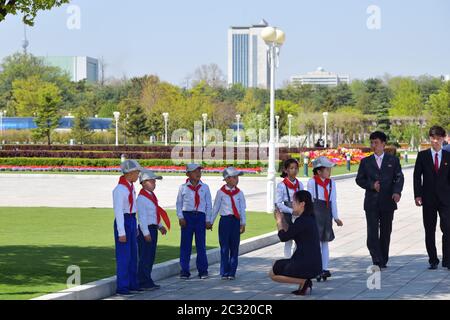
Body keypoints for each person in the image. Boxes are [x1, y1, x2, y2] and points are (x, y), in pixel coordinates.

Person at [356, 131, 404, 269]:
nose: (373, 145)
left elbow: (399, 177)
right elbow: (359, 179)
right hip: (371, 202)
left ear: (383, 144)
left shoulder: (393, 160)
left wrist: (397, 192)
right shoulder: (365, 162)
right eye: (371, 142)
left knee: (385, 231)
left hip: (388, 202)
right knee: (372, 232)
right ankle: (376, 258)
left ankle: (383, 258)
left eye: (376, 142)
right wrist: (371, 185)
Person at [270, 190, 322, 296]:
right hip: (314, 264)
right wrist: (283, 219)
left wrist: (279, 221)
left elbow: (283, 237)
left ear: (302, 204)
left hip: (306, 264)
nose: (292, 203)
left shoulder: (302, 221)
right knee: (276, 263)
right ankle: (303, 285)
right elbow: (290, 232)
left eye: (294, 201)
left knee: (272, 273)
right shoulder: (309, 219)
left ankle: (303, 282)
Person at [414, 126, 450, 270]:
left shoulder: (448, 157)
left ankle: (447, 260)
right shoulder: (422, 156)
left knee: (447, 229)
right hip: (428, 199)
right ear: (430, 138)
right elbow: (417, 177)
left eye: (438, 138)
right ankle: (433, 260)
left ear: (443, 139)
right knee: (429, 230)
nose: (435, 141)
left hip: (446, 200)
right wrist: (417, 195)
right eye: (433, 138)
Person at [307, 156, 343, 281]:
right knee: (316, 243)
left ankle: (325, 268)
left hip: (326, 215)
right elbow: (310, 200)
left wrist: (336, 217)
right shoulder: (312, 182)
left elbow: (333, 201)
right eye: (327, 169)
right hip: (315, 214)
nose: (329, 172)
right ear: (319, 171)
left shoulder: (332, 183)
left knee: (325, 242)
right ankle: (316, 268)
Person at [208, 167, 246, 280]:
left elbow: (242, 209)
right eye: (234, 177)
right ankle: (224, 272)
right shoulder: (220, 193)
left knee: (234, 247)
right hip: (225, 221)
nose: (237, 179)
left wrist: (243, 223)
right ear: (227, 179)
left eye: (237, 177)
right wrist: (210, 221)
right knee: (224, 247)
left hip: (235, 221)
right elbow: (215, 208)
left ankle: (232, 272)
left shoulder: (239, 193)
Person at [176, 163, 212, 279]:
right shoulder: (183, 187)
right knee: (185, 245)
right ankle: (184, 271)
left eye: (199, 171)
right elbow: (179, 204)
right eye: (195, 171)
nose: (198, 173)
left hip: (200, 217)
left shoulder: (205, 187)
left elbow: (208, 205)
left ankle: (203, 270)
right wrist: (180, 217)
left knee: (201, 245)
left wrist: (208, 219)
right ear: (187, 174)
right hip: (187, 217)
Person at [112, 159, 143, 295]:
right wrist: (121, 232)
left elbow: (134, 208)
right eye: (137, 172)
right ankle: (122, 287)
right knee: (124, 256)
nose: (138, 175)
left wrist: (135, 225)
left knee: (133, 255)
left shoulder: (130, 187)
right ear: (129, 173)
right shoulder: (119, 189)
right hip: (123, 221)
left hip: (131, 220)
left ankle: (132, 284)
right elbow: (118, 211)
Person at [137, 170, 170, 290]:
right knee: (145, 257)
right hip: (146, 230)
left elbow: (154, 214)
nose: (154, 183)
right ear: (144, 182)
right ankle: (143, 281)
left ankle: (147, 279)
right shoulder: (142, 198)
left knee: (150, 257)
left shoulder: (151, 196)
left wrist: (160, 226)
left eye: (154, 181)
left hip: (153, 229)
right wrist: (145, 233)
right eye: (152, 181)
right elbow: (142, 217)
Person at [276, 158, 304, 258]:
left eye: (296, 168)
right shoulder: (281, 185)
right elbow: (278, 203)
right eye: (291, 168)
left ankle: (296, 260)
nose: (294, 170)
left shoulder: (300, 185)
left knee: (298, 240)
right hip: (287, 214)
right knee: (288, 240)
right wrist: (291, 210)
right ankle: (287, 261)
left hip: (298, 215)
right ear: (286, 170)